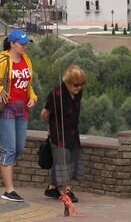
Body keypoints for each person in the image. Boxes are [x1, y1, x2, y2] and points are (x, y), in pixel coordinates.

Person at [0, 28, 38, 203]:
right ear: (12, 44)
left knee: (18, 149)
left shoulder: (26, 60)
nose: (26, 47)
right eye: (22, 44)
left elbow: (27, 84)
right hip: (5, 109)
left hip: (22, 108)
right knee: (8, 149)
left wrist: (33, 97)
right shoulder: (1, 59)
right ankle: (9, 190)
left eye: (27, 43)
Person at [42, 64, 87, 205]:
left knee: (71, 158)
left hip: (72, 131)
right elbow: (44, 114)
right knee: (63, 160)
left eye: (81, 85)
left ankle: (52, 188)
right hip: (59, 132)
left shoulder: (78, 92)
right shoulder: (56, 94)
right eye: (75, 85)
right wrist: (52, 126)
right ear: (67, 82)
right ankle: (67, 191)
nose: (78, 88)